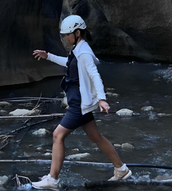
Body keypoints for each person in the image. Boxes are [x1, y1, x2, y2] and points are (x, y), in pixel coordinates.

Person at [31, 15, 131, 190]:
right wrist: (48, 56)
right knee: (95, 136)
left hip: (79, 104)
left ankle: (52, 180)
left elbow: (94, 75)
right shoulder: (78, 48)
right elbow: (70, 64)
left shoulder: (83, 52)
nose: (65, 38)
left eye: (67, 35)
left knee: (57, 135)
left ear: (77, 33)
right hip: (79, 102)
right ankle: (121, 169)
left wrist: (102, 98)